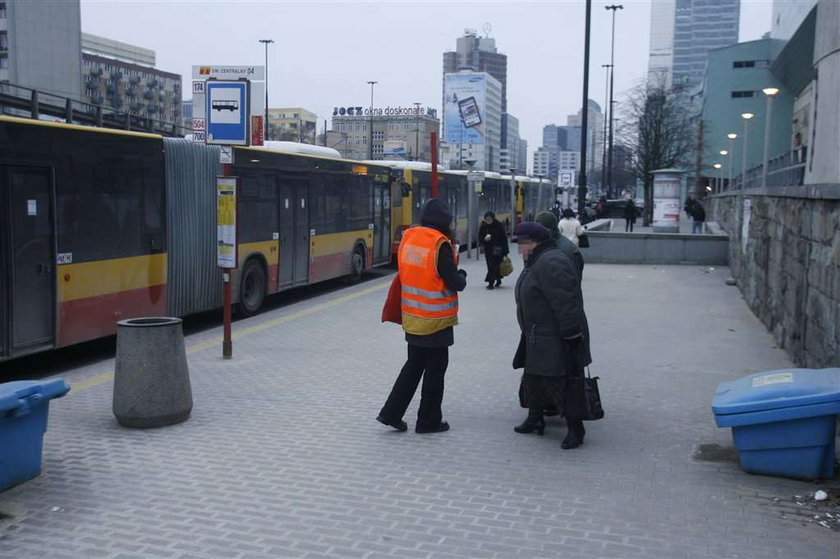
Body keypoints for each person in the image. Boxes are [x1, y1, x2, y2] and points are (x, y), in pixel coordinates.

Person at [377, 198, 467, 434]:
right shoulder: (439, 244)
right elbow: (454, 282)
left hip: (413, 317)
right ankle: (428, 421)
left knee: (413, 366)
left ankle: (390, 413)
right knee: (435, 371)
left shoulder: (409, 237)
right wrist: (463, 275)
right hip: (435, 322)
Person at [511, 222, 587, 449]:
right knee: (533, 380)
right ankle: (535, 419)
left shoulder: (551, 261)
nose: (519, 250)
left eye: (521, 244)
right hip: (537, 335)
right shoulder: (537, 260)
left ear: (534, 243)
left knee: (559, 384)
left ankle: (576, 429)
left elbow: (565, 302)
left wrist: (572, 334)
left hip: (552, 337)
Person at [478, 211, 509, 290]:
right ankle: (498, 279)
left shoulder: (499, 225)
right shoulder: (483, 226)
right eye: (487, 219)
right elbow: (480, 237)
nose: (488, 221)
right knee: (490, 265)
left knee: (495, 266)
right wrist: (484, 239)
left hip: (498, 249)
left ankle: (491, 283)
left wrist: (505, 251)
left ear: (493, 218)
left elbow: (503, 238)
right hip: (488, 249)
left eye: (489, 219)